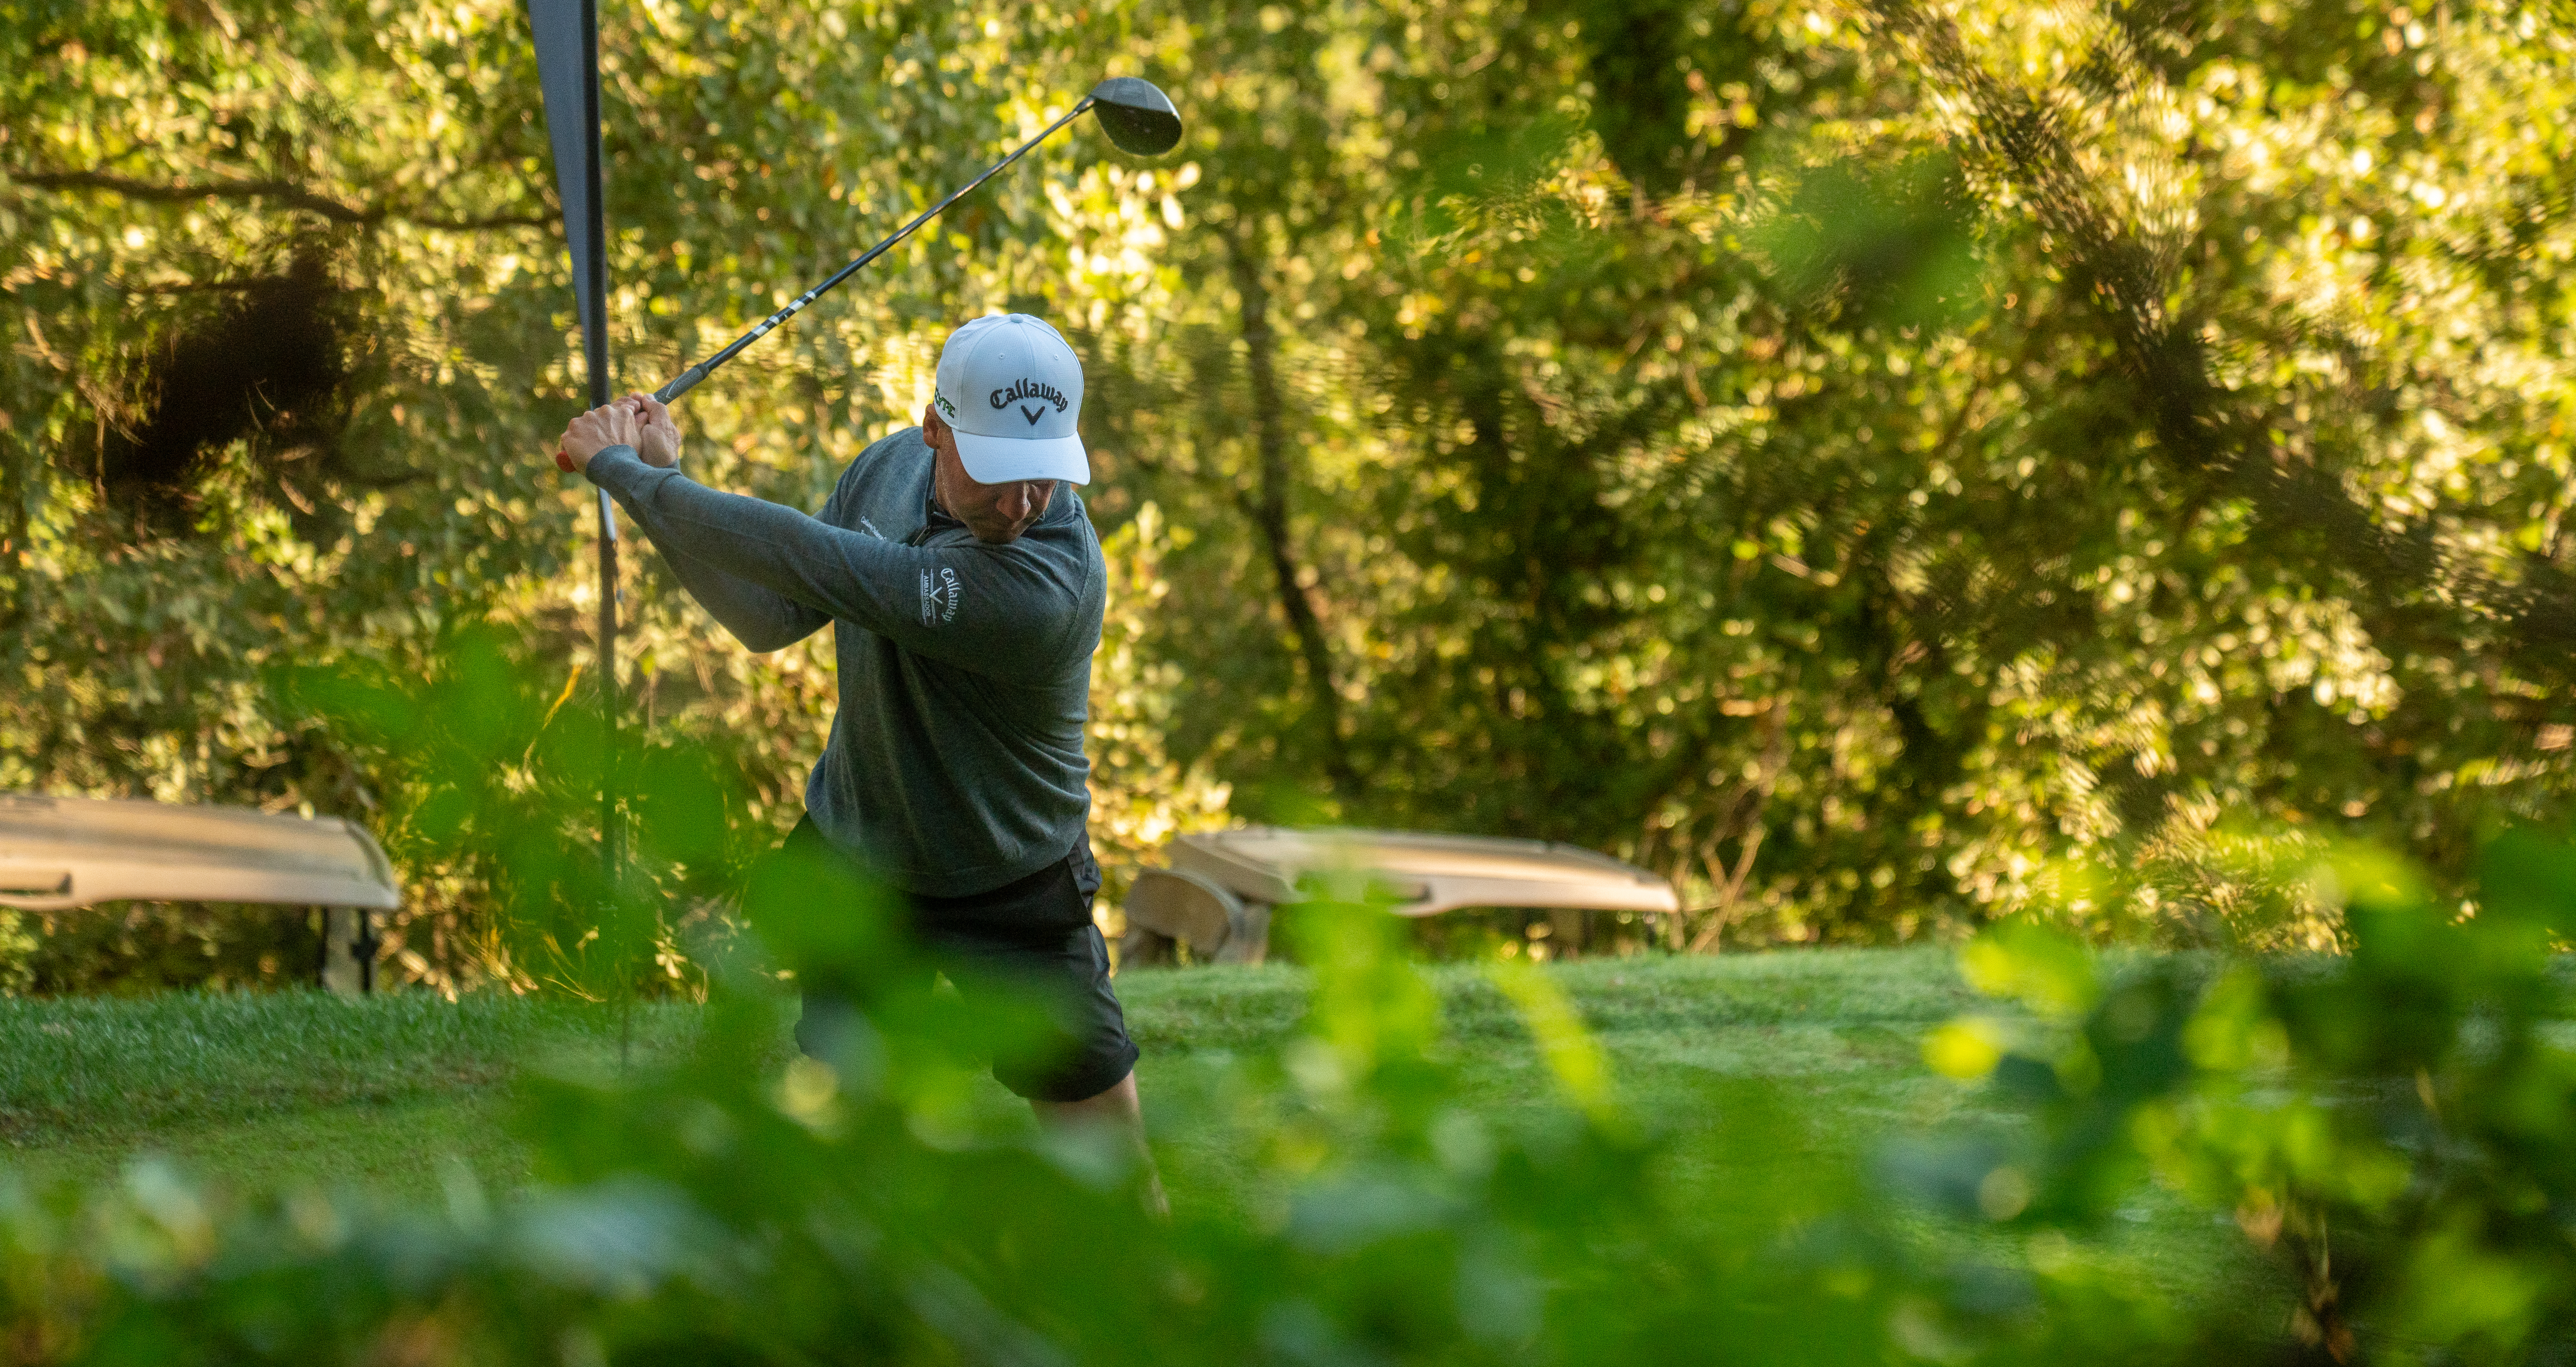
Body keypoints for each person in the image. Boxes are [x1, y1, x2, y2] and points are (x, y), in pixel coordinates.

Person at [554, 313, 1162, 1211]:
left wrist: (628, 474)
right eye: (997, 473)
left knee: (1109, 1172)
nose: (1022, 503)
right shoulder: (886, 471)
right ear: (934, 430)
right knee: (838, 1146)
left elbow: (818, 561)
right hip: (863, 865)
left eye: (1044, 474)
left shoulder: (1048, 587)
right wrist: (661, 486)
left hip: (1012, 881)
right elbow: (771, 613)